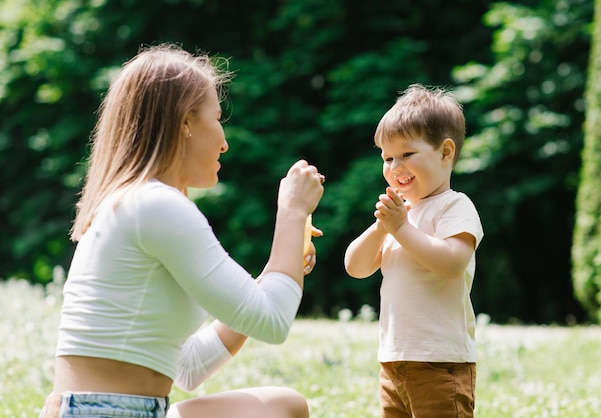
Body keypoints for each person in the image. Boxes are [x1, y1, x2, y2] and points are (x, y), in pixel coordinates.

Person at [40, 43, 325, 418]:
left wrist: (277, 271)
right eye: (218, 117)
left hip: (111, 408)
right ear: (185, 123)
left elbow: (187, 367)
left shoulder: (138, 203)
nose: (224, 142)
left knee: (282, 405)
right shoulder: (156, 206)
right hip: (106, 412)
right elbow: (272, 321)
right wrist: (291, 212)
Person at [344, 84, 483, 418]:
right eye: (387, 157)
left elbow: (451, 263)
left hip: (440, 361)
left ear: (445, 153)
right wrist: (382, 227)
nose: (394, 166)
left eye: (406, 154)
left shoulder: (454, 206)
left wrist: (401, 228)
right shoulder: (399, 215)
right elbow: (356, 266)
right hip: (394, 360)